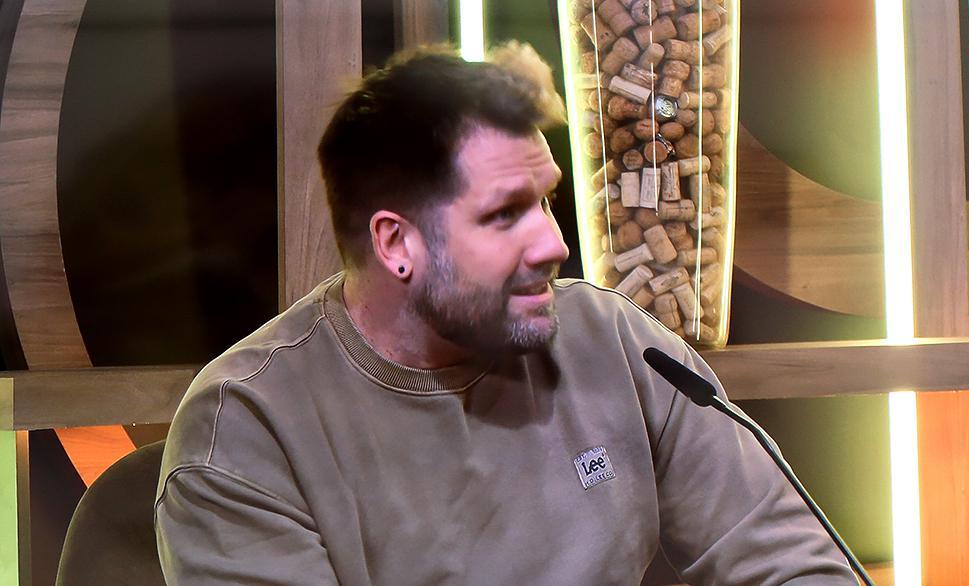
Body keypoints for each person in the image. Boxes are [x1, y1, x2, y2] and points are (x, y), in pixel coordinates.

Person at [155, 42, 856, 585]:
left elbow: (795, 564)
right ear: (396, 244)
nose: (554, 244)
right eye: (504, 214)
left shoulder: (617, 344)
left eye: (546, 200)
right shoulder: (246, 432)